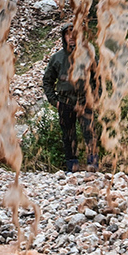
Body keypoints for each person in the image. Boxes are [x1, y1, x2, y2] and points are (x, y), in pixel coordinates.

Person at [42, 25, 95, 172]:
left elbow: (98, 78)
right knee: (68, 135)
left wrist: (95, 98)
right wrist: (55, 101)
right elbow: (47, 81)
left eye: (74, 34)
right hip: (65, 102)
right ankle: (72, 167)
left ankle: (93, 165)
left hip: (85, 101)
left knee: (89, 133)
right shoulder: (57, 58)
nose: (71, 37)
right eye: (68, 34)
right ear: (63, 37)